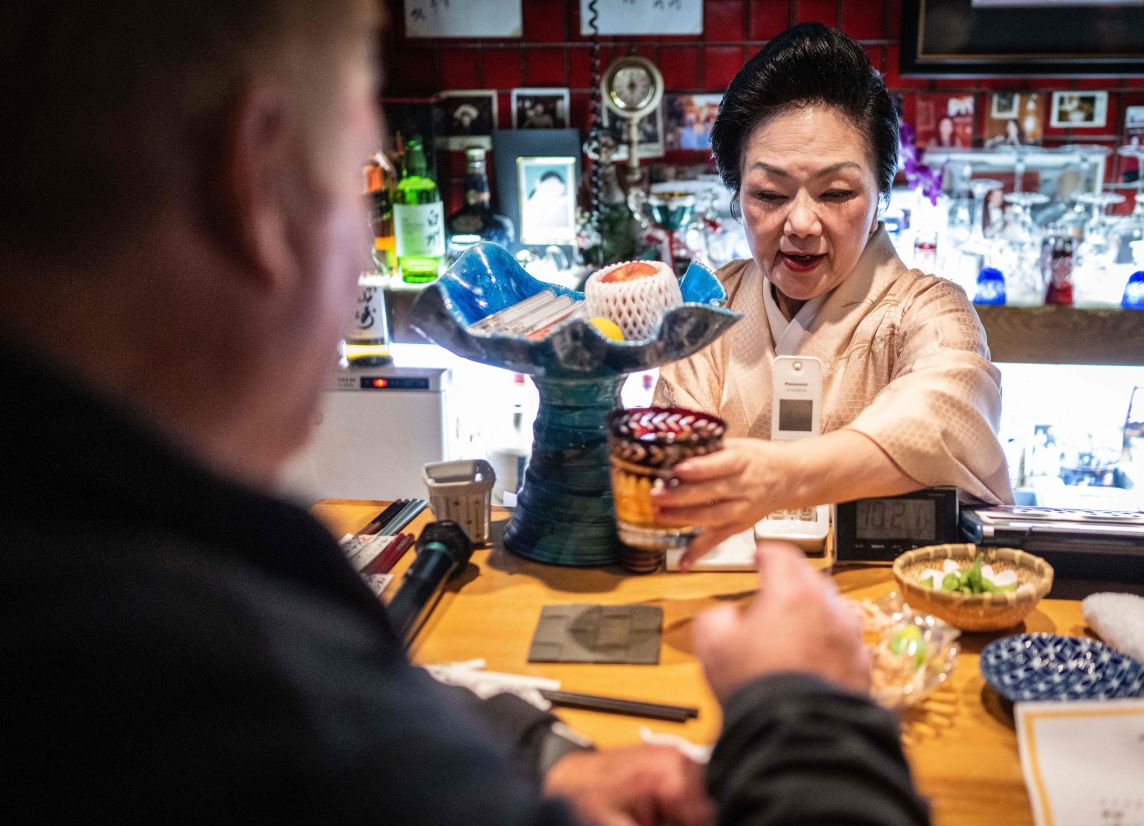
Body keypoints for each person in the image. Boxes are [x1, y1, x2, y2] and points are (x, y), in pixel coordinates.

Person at [2, 2, 929, 824]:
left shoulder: (121, 575)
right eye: (355, 171)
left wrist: (529, 758)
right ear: (252, 182)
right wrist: (802, 705)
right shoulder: (237, 685)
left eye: (836, 191)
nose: (801, 222)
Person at [654, 23, 1014, 566]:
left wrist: (786, 475)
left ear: (880, 194)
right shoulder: (712, 303)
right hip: (718, 601)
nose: (800, 222)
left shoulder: (929, 308)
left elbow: (948, 414)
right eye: (769, 194)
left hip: (887, 611)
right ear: (736, 192)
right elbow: (671, 463)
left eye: (837, 192)